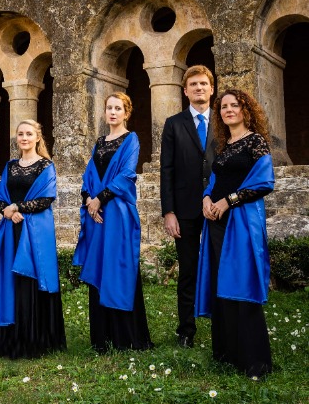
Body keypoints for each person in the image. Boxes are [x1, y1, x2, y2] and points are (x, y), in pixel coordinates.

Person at [196, 89, 274, 378]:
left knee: (241, 281)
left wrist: (227, 202)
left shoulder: (256, 142)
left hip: (240, 221)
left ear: (246, 110)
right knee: (220, 280)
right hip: (215, 221)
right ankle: (227, 352)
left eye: (234, 106)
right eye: (224, 107)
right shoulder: (225, 145)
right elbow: (214, 179)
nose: (229, 110)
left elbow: (264, 182)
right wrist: (206, 199)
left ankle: (253, 360)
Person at [73, 93, 152, 351]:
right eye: (109, 108)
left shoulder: (131, 139)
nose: (113, 112)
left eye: (118, 108)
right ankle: (102, 338)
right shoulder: (99, 142)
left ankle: (125, 337)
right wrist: (88, 200)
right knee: (99, 265)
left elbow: (127, 174)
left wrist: (100, 199)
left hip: (116, 212)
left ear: (126, 113)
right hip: (98, 216)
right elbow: (88, 176)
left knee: (118, 266)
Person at [0, 119, 66, 359]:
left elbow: (46, 199)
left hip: (36, 232)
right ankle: (11, 339)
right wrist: (7, 210)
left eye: (29, 134)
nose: (24, 138)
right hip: (12, 230)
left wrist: (16, 206)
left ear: (38, 137)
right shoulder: (10, 167)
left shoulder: (46, 166)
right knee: (12, 282)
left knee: (31, 279)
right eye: (20, 134)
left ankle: (34, 341)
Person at [160, 65, 216, 347]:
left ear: (212, 88)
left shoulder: (224, 120)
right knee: (188, 270)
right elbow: (166, 169)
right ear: (185, 91)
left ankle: (224, 326)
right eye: (193, 84)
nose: (199, 88)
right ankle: (186, 331)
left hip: (219, 206)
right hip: (184, 209)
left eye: (203, 84)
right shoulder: (174, 123)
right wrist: (169, 212)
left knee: (220, 266)